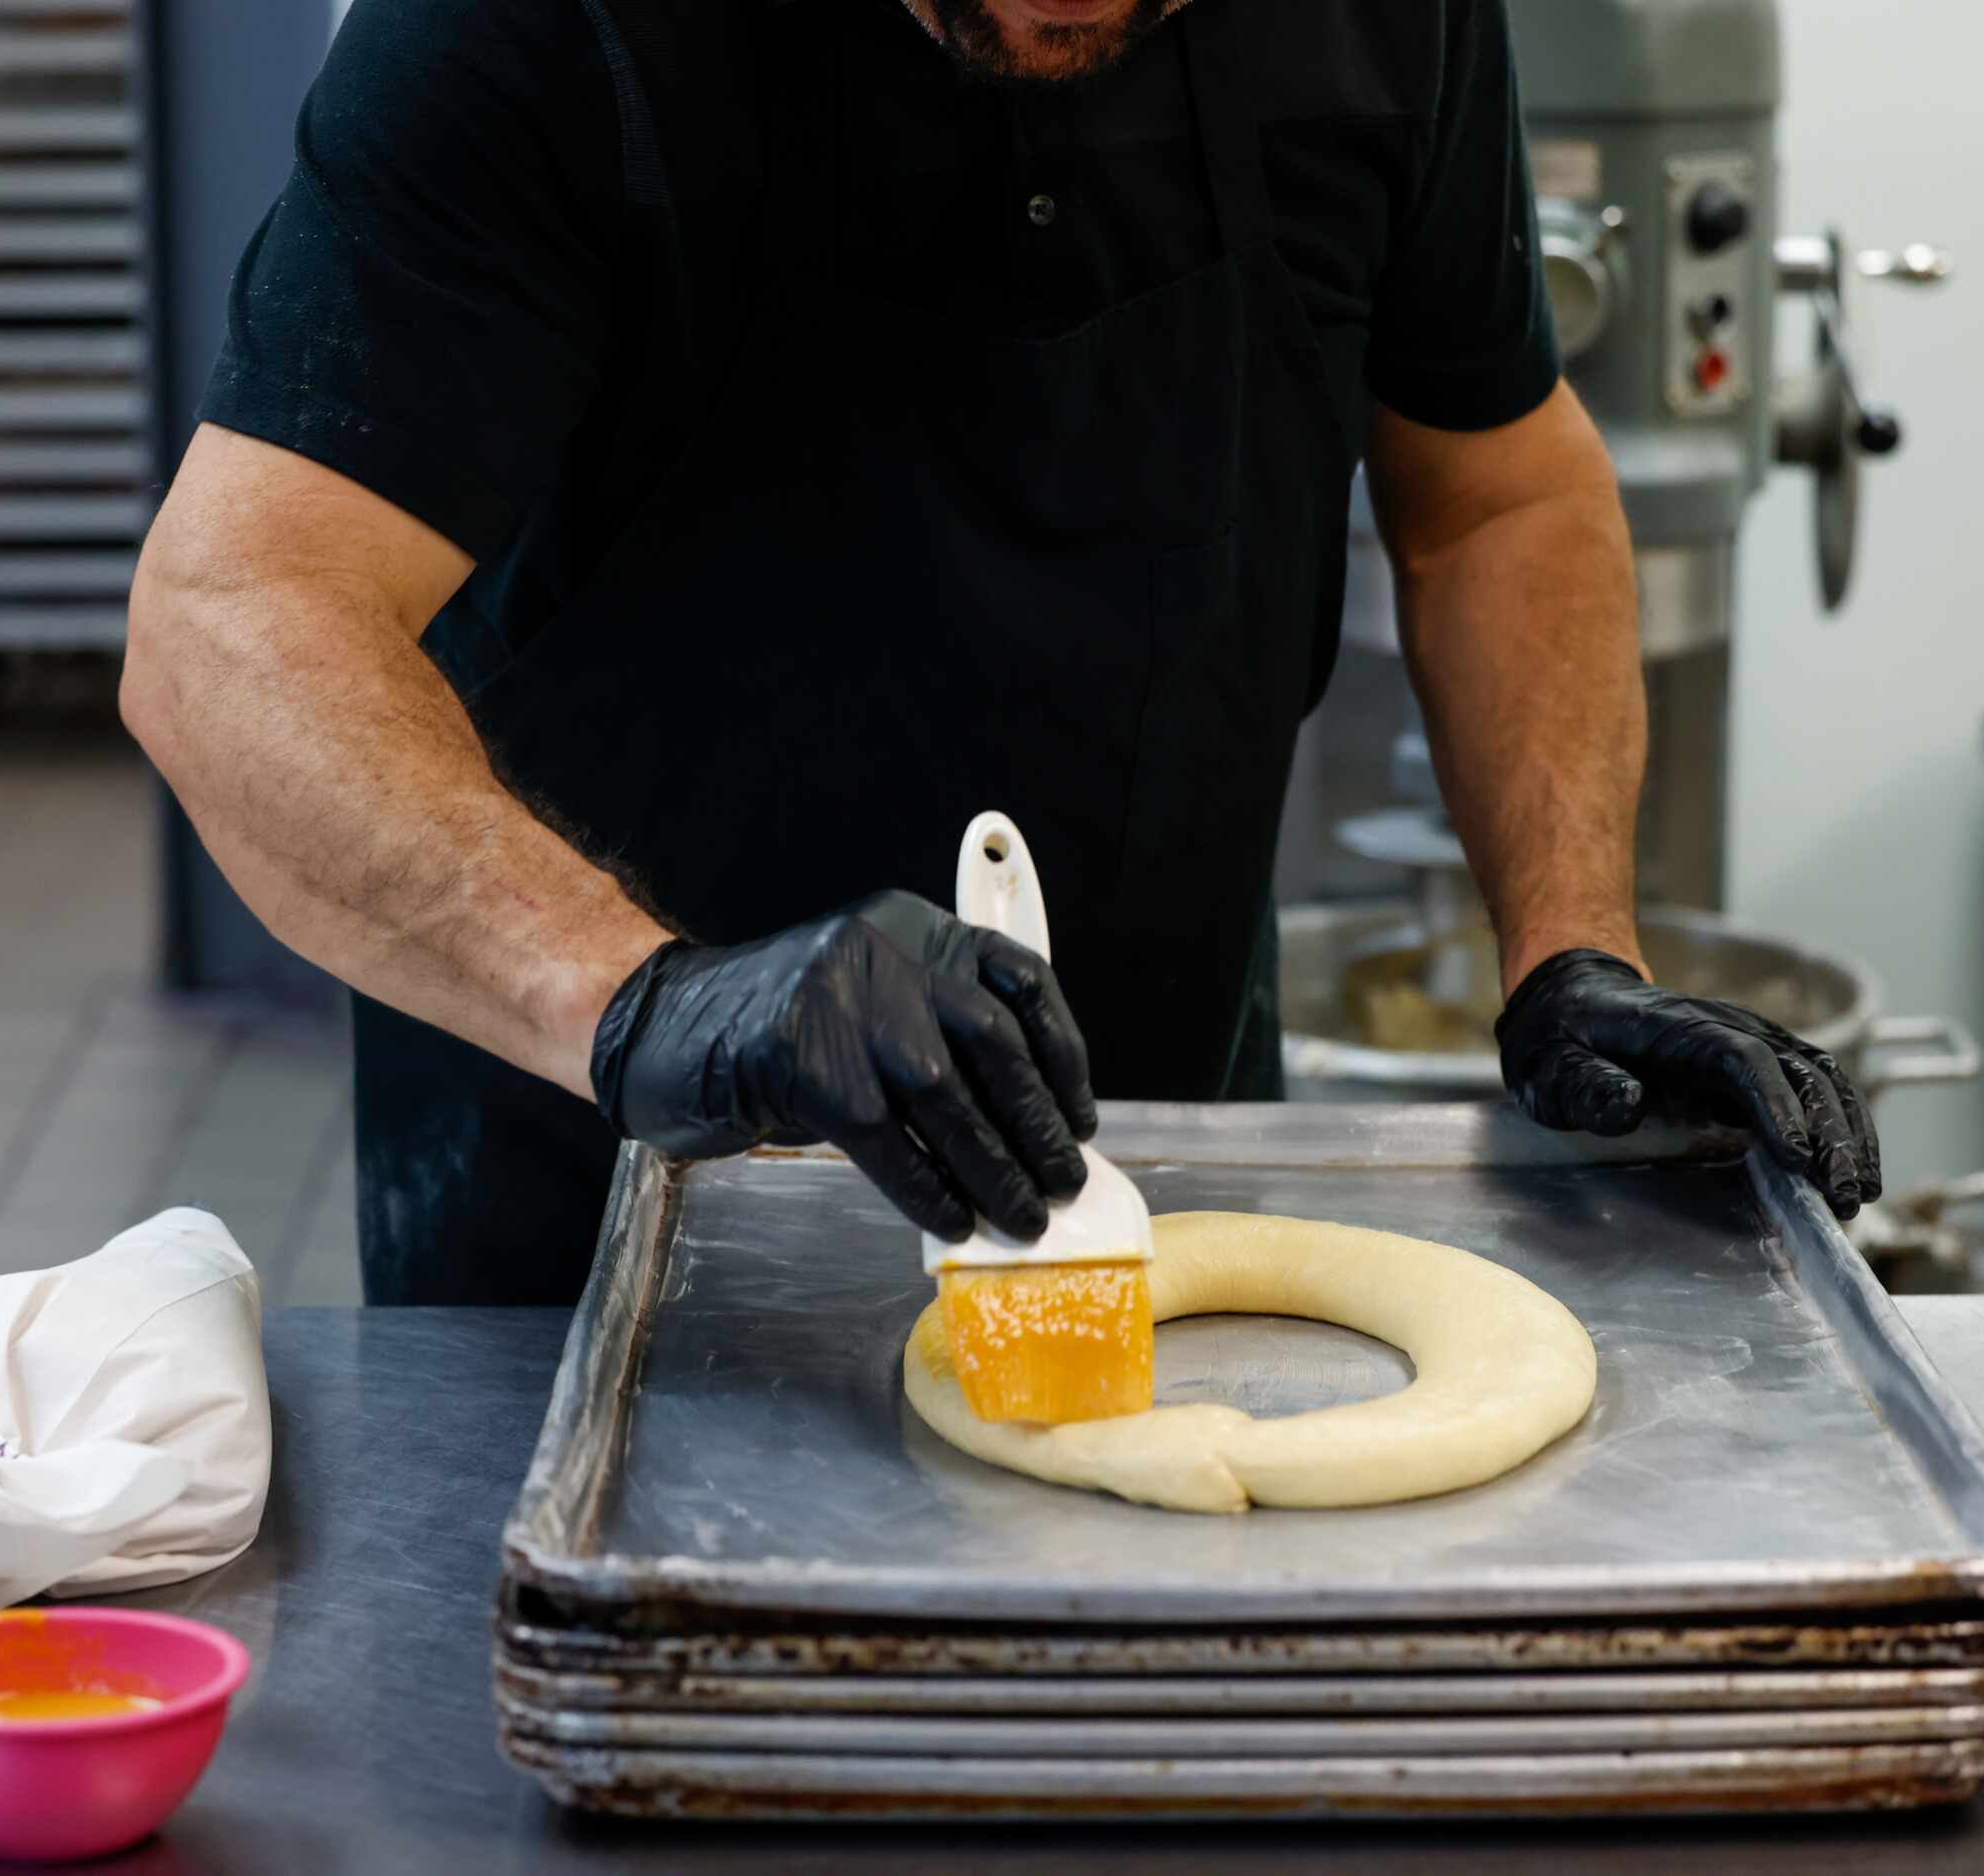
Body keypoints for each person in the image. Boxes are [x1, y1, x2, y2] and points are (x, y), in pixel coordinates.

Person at [124, 0, 1880, 1307]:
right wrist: (652, 1001)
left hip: (1161, 1213)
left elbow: (1499, 489)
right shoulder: (547, 30)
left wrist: (1574, 949)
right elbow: (228, 626)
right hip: (597, 1238)